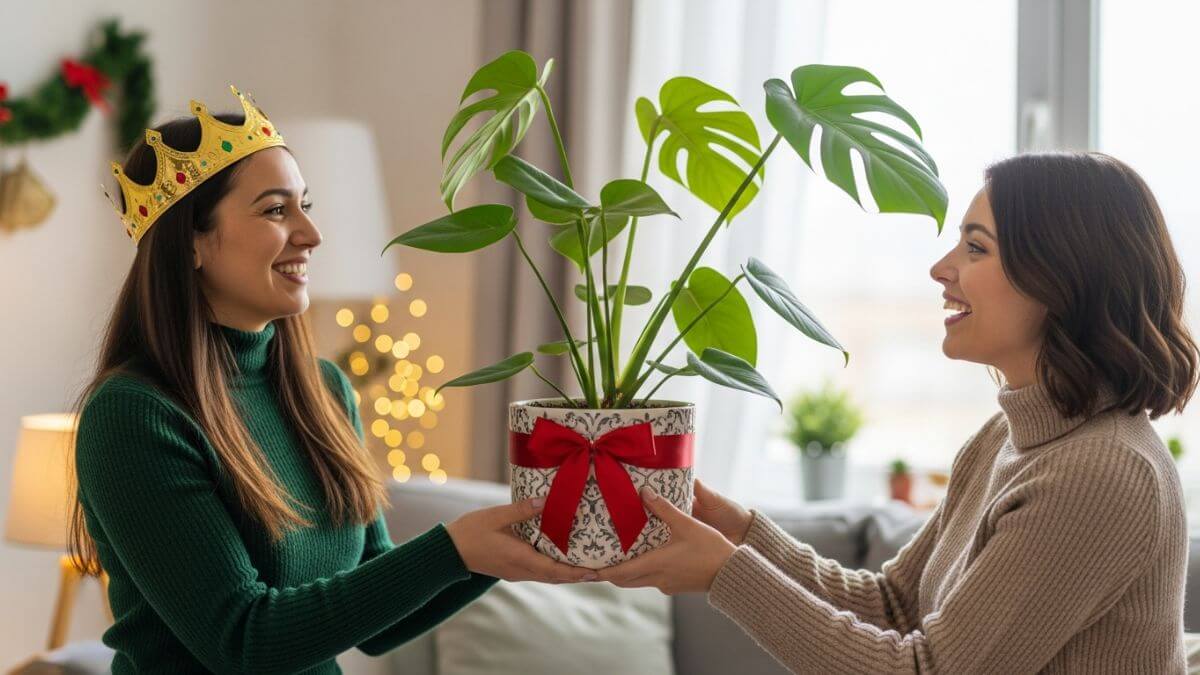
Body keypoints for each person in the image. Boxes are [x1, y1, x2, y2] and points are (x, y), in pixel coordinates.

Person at [598, 151, 1195, 673]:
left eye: (976, 247)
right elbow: (895, 605)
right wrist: (740, 532)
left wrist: (725, 573)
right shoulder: (1006, 438)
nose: (941, 269)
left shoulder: (1100, 473)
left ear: (1060, 277)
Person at [67, 85, 594, 674]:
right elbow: (244, 641)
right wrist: (453, 548)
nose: (311, 234)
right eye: (275, 210)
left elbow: (376, 622)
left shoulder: (324, 392)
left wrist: (500, 547)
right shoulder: (134, 416)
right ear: (191, 241)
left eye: (305, 205)